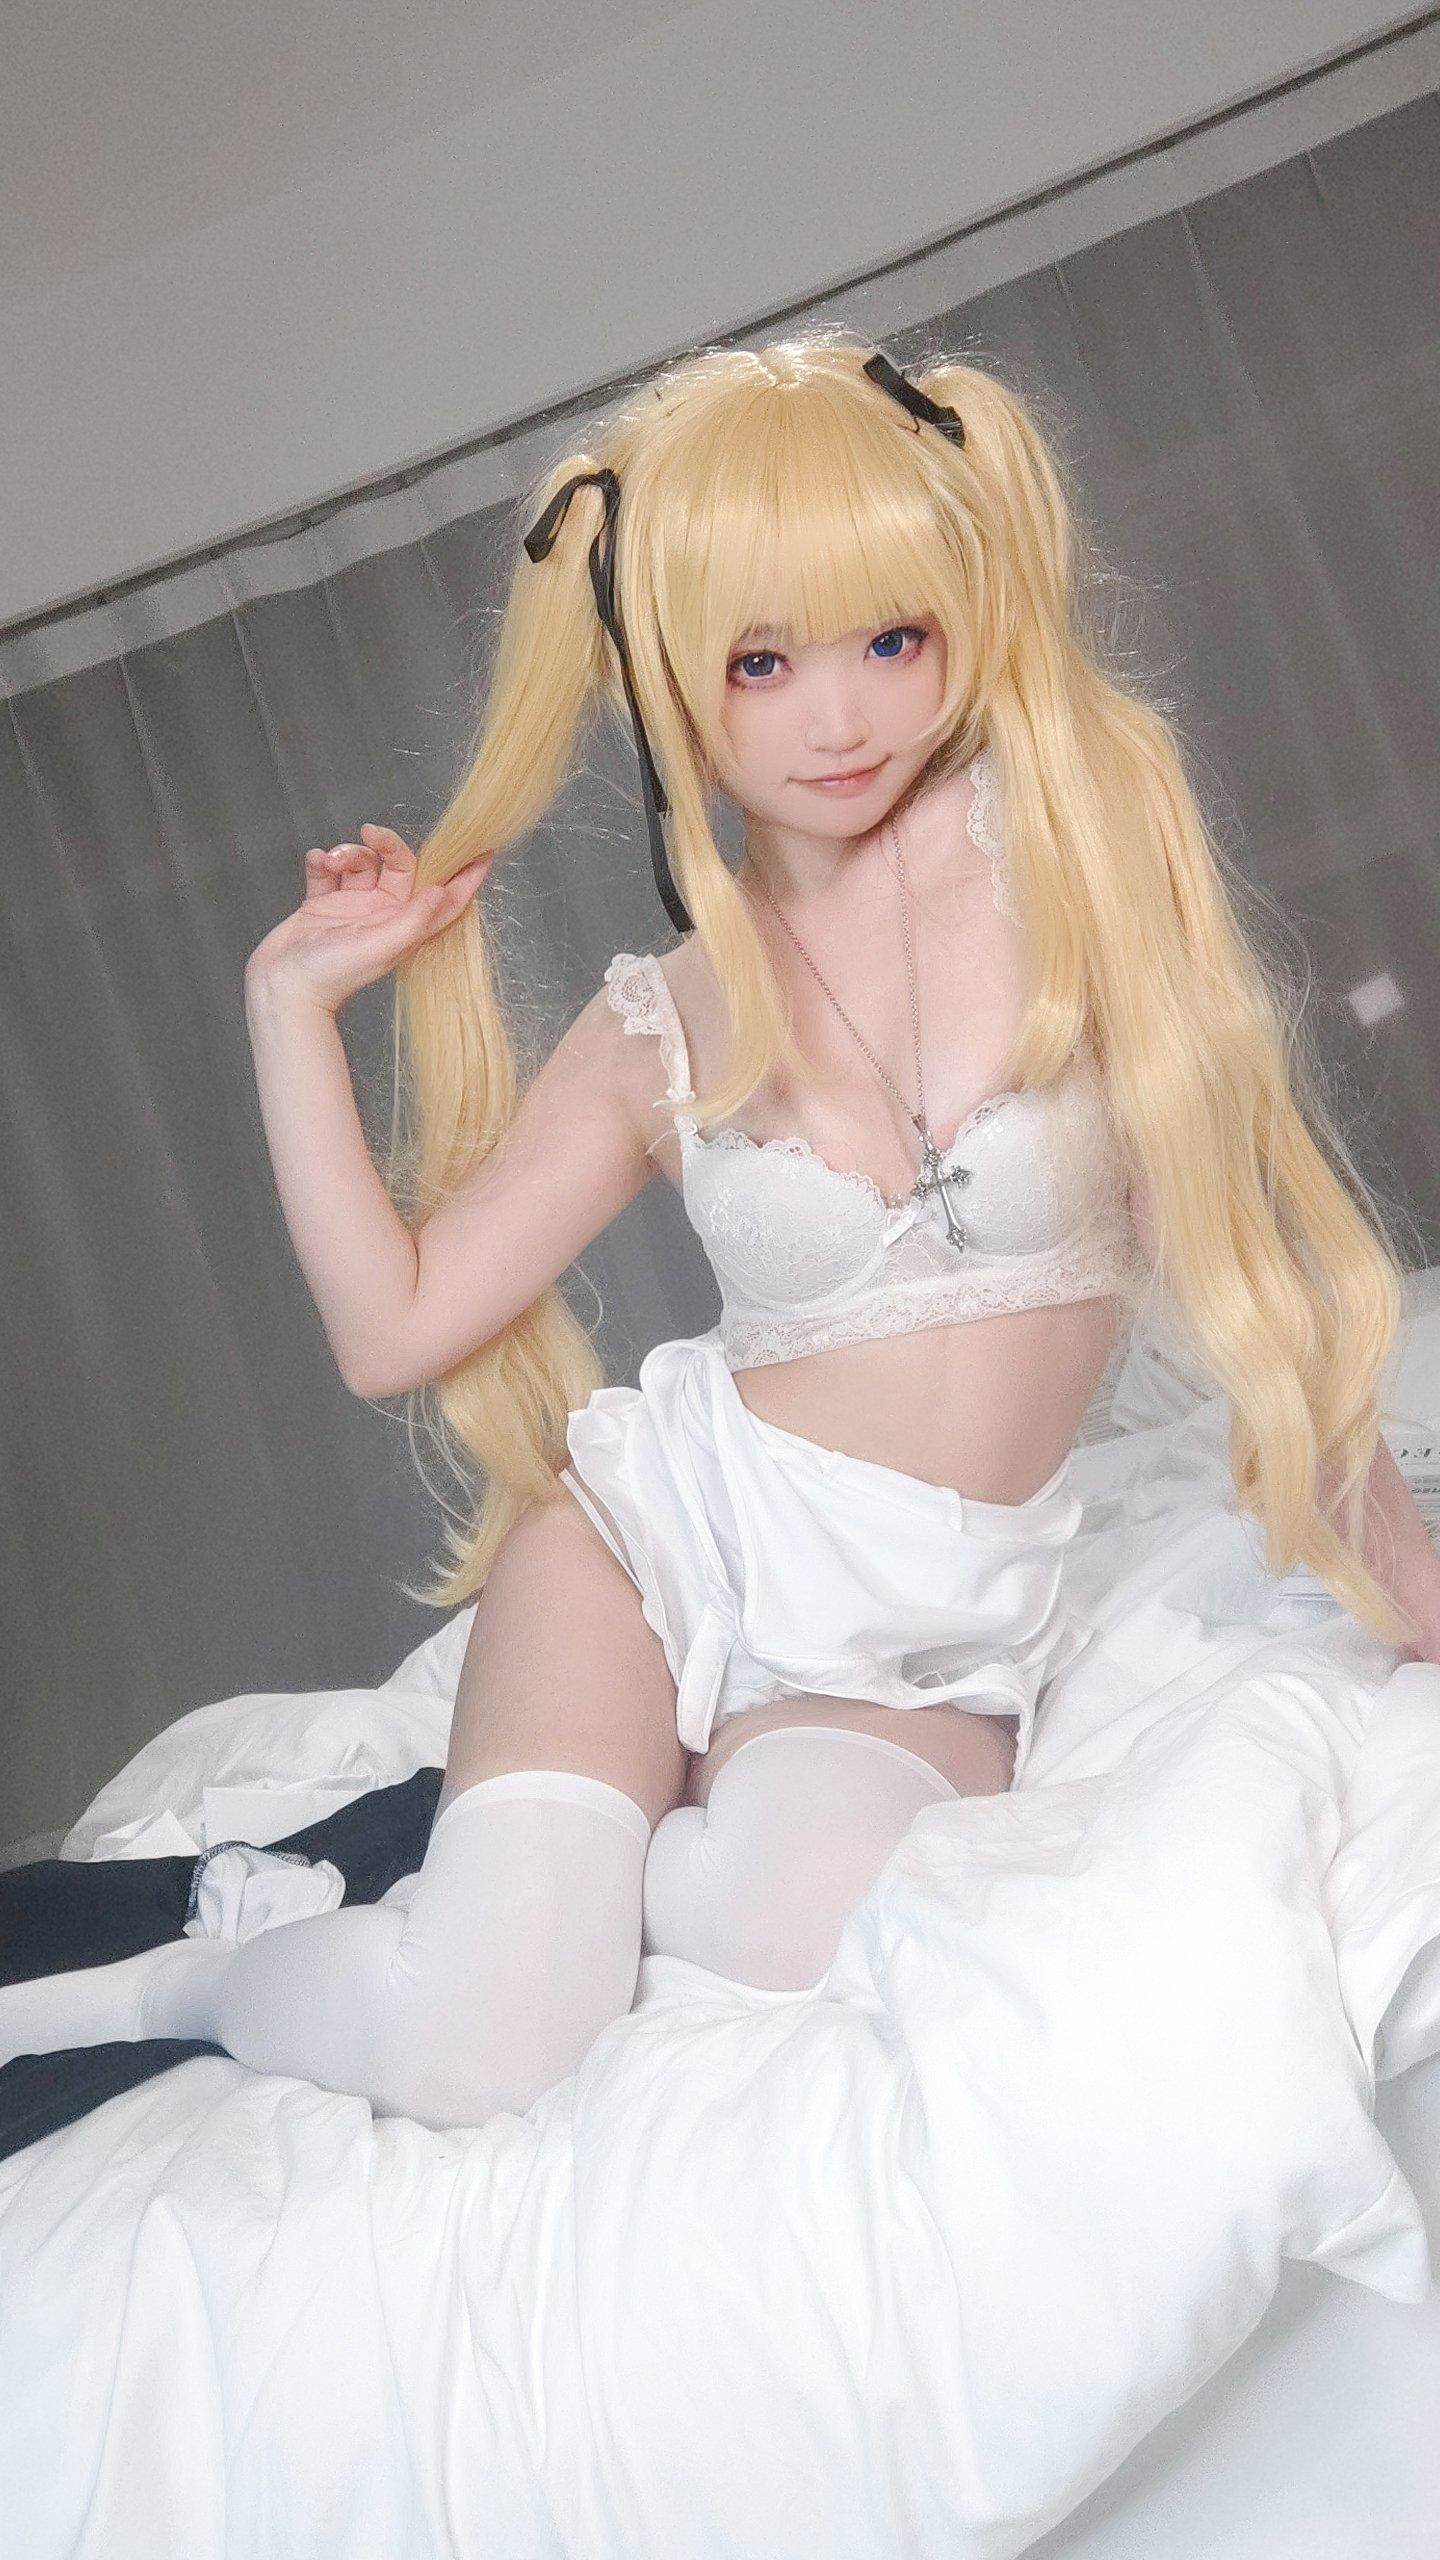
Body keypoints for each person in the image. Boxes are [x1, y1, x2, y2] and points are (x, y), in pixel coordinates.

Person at [4, 332, 1435, 2133]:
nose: (836, 721)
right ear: (669, 682)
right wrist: (289, 1012)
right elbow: (396, 1328)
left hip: (923, 1641)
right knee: (483, 2053)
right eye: (760, 663)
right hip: (656, 1551)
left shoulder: (1085, 869)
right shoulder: (663, 1020)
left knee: (795, 1933)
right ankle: (188, 1975)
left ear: (961, 615)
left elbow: (1261, 1275)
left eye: (889, 640)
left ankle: (564, 1861)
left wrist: (1419, 1601)